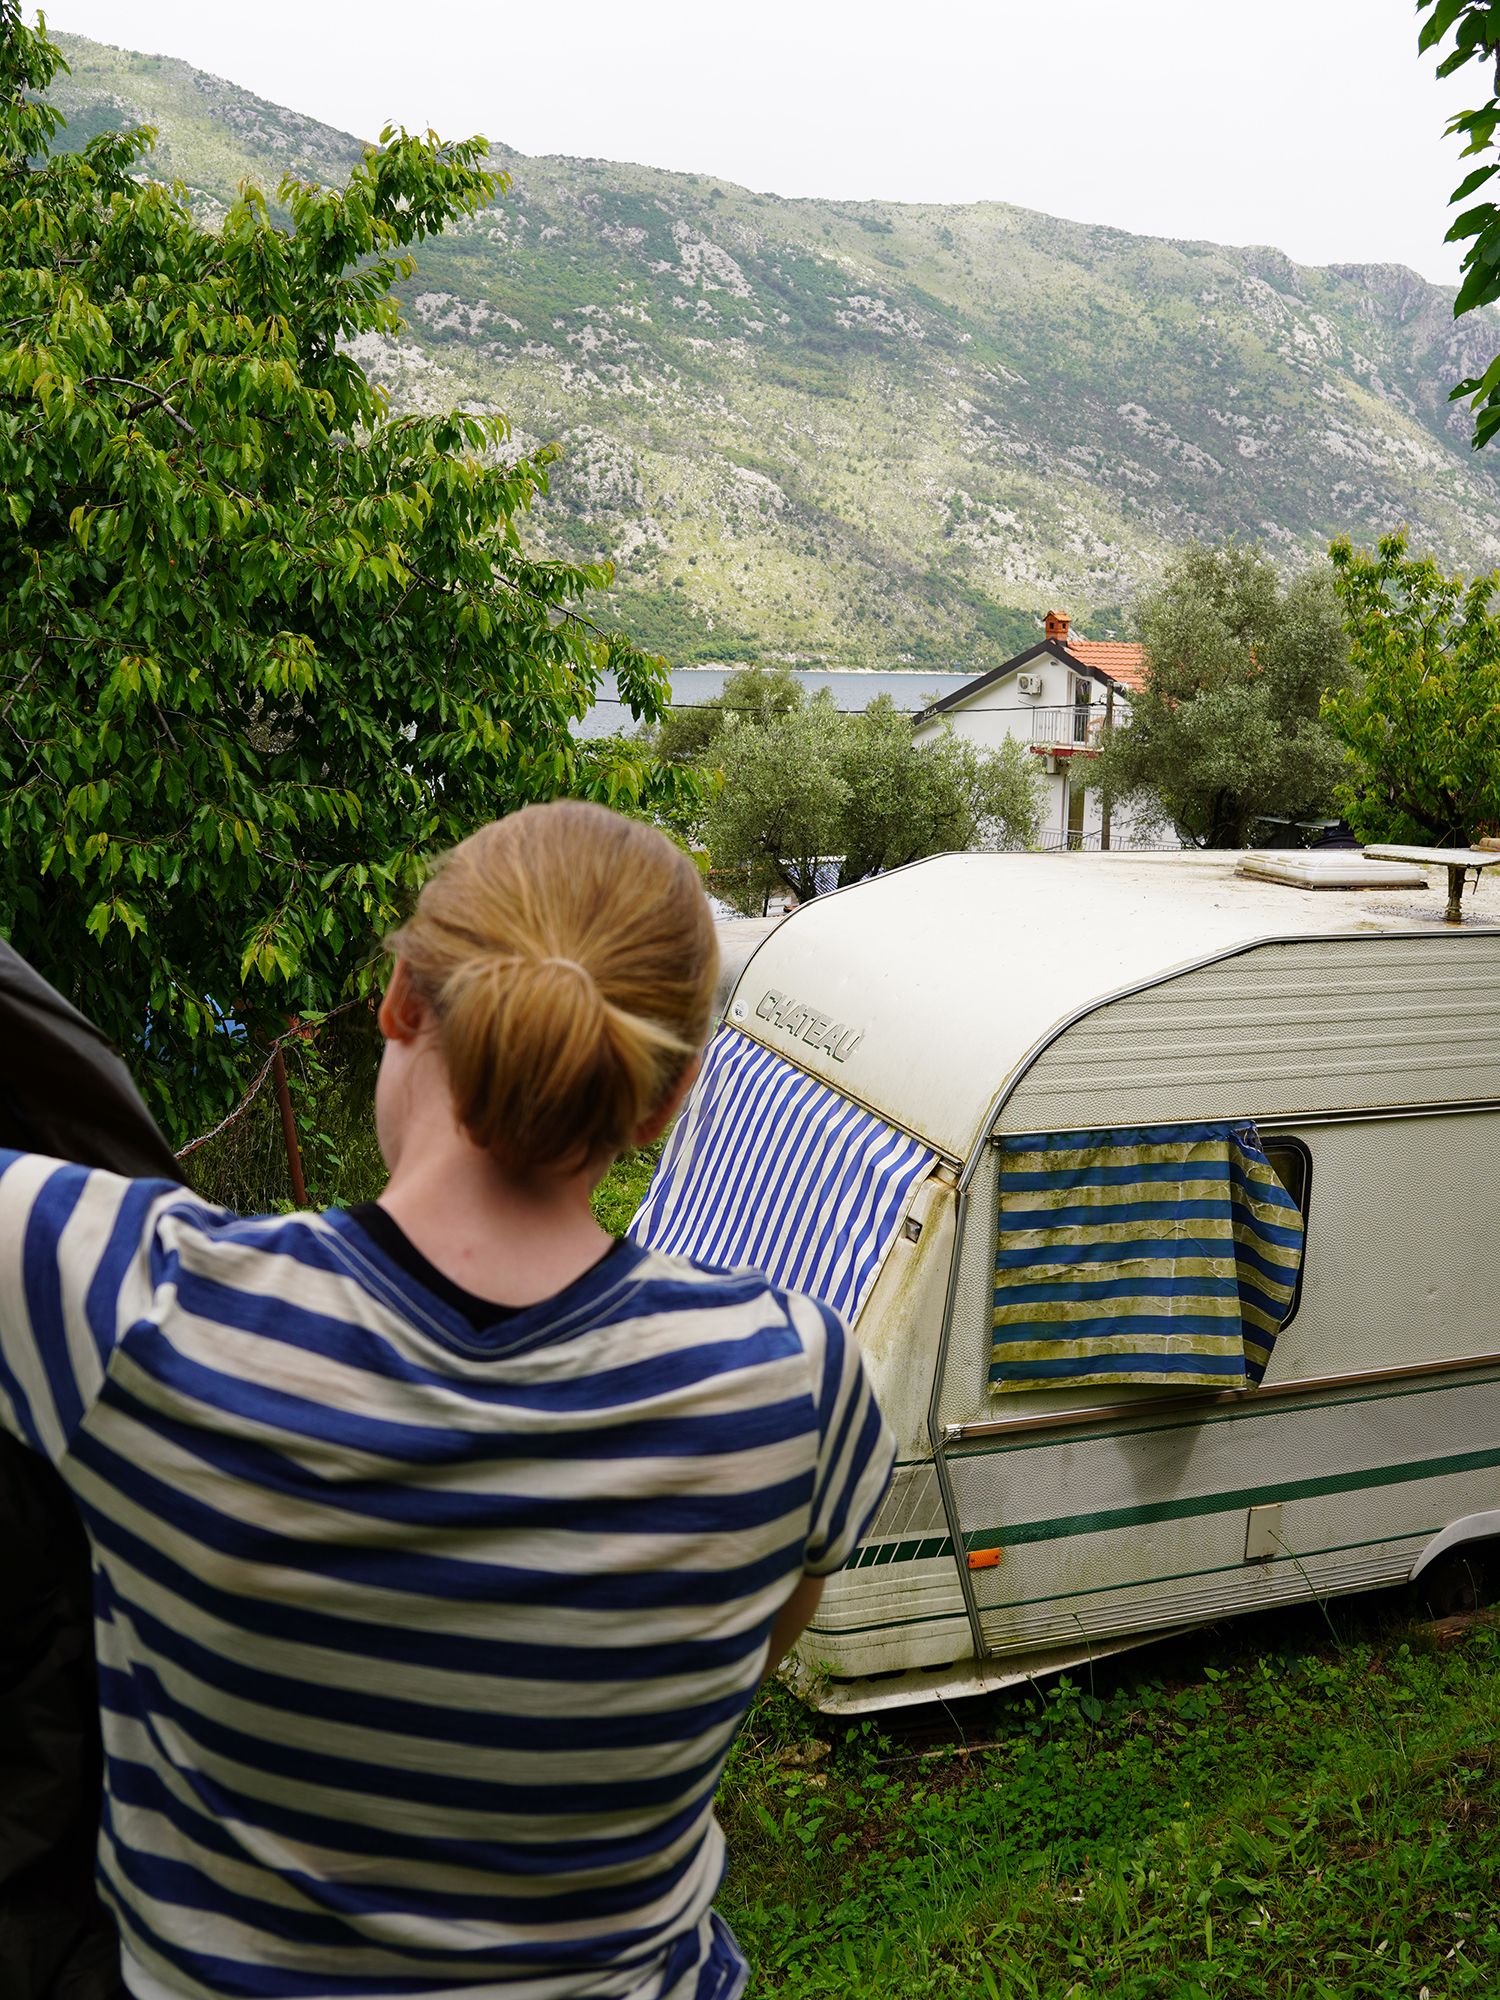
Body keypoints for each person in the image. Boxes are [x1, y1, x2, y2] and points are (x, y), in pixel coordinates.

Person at [0, 801, 895, 2000]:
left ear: (401, 1004)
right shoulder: (800, 1384)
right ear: (668, 1099)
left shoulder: (133, 1307)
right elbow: (747, 1659)